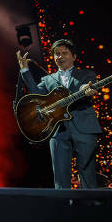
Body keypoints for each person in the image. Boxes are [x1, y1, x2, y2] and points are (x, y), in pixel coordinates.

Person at [17, 39, 101, 189]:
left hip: (84, 128)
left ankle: (91, 206)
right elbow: (36, 94)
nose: (60, 57)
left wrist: (86, 89)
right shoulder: (48, 79)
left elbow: (86, 86)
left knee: (87, 173)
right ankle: (64, 208)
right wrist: (25, 70)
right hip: (58, 130)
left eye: (64, 53)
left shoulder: (86, 74)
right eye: (57, 54)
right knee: (61, 176)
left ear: (74, 56)